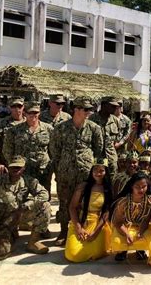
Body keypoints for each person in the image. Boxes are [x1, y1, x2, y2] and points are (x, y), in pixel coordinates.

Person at [50, 97, 104, 246]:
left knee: (82, 202)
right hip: (65, 172)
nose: (89, 113)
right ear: (76, 109)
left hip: (85, 173)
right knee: (64, 201)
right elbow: (54, 150)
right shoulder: (61, 128)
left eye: (90, 110)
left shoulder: (94, 128)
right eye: (86, 109)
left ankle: (79, 229)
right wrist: (61, 166)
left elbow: (98, 151)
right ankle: (63, 231)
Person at [0, 156, 51, 260]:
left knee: (45, 206)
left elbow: (44, 194)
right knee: (0, 253)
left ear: (23, 168)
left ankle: (33, 242)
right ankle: (10, 233)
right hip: (3, 220)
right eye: (13, 167)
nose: (15, 170)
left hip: (20, 214)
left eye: (18, 167)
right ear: (9, 167)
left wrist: (26, 205)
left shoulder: (28, 180)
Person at [65, 158, 112, 262]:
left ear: (106, 172)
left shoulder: (108, 188)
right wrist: (78, 227)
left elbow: (106, 212)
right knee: (73, 255)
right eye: (95, 170)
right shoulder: (83, 186)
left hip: (98, 224)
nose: (98, 173)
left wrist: (95, 232)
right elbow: (72, 207)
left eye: (101, 171)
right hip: (82, 221)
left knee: (97, 251)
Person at [3, 101, 54, 194]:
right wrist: (15, 167)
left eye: (36, 112)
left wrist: (50, 165)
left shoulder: (49, 129)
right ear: (24, 113)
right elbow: (7, 150)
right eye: (30, 112)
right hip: (23, 171)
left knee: (43, 197)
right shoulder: (14, 130)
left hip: (42, 170)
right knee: (21, 197)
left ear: (39, 113)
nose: (33, 115)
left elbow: (54, 149)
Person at [110, 171, 151, 261]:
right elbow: (118, 222)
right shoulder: (123, 201)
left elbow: (146, 221)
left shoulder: (150, 201)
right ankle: (122, 251)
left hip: (141, 227)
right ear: (131, 186)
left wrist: (140, 232)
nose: (141, 190)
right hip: (124, 228)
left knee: (150, 239)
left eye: (144, 187)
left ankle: (140, 250)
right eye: (137, 187)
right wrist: (127, 234)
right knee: (117, 242)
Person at [89, 96, 121, 177]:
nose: (115, 108)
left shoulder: (115, 120)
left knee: (111, 182)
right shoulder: (92, 119)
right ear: (104, 105)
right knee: (97, 180)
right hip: (96, 156)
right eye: (112, 106)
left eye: (116, 106)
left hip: (111, 158)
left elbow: (117, 138)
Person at [0, 96, 26, 165]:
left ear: (23, 107)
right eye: (13, 106)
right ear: (9, 107)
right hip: (6, 163)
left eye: (19, 106)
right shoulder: (1, 123)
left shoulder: (29, 123)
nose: (17, 109)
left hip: (25, 165)